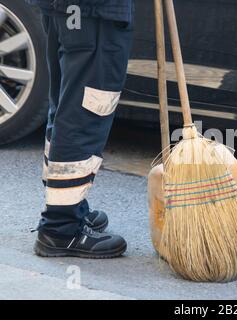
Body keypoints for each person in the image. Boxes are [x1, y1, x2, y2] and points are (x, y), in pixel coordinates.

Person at [26, 0, 134, 258]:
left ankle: (66, 209)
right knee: (85, 112)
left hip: (67, 9)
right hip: (92, 11)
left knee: (67, 106)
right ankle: (60, 229)